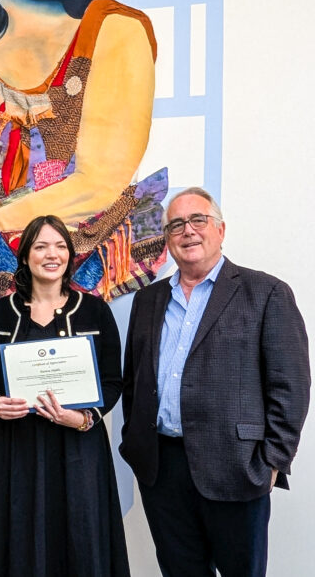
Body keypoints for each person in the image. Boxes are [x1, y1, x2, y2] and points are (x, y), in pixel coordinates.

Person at [121, 187, 310, 577]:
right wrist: (136, 441)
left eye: (198, 220)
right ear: (167, 239)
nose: (188, 231)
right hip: (162, 468)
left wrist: (272, 462)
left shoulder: (266, 292)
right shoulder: (148, 300)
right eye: (176, 225)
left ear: (220, 230)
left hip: (235, 466)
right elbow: (134, 381)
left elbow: (291, 385)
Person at [0, 215, 129, 576]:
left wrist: (85, 417)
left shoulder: (94, 311)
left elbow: (113, 380)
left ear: (70, 255)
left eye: (60, 246)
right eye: (40, 246)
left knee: (81, 532)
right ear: (25, 256)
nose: (51, 254)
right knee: (17, 530)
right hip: (16, 445)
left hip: (78, 447)